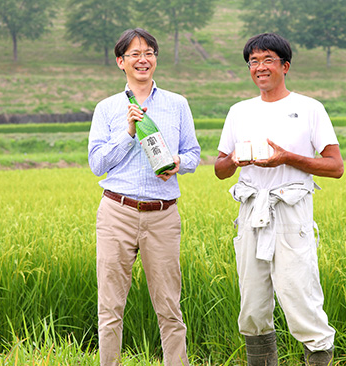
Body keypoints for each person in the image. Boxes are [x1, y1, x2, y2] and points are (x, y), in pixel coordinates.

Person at [214, 33, 343, 366]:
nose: (260, 67)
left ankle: (318, 356)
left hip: (290, 214)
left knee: (301, 299)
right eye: (253, 61)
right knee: (253, 307)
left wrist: (287, 158)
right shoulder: (239, 112)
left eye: (268, 59)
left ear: (285, 66)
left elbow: (335, 167)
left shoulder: (308, 109)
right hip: (250, 212)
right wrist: (235, 160)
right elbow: (220, 169)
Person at [88, 28, 201, 366]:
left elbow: (194, 154)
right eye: (135, 54)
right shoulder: (108, 108)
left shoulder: (177, 104)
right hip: (117, 212)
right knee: (110, 307)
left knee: (169, 306)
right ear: (120, 61)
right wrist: (128, 132)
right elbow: (97, 164)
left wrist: (178, 163)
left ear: (156, 59)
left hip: (163, 214)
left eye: (149, 52)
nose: (143, 59)